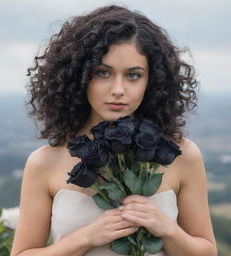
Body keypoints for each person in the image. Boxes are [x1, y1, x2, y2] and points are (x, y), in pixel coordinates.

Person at [11, 5, 217, 256]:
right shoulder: (44, 162)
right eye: (103, 73)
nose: (118, 89)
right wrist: (86, 237)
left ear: (151, 81)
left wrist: (168, 230)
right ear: (79, 75)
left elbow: (207, 252)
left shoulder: (182, 155)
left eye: (133, 75)